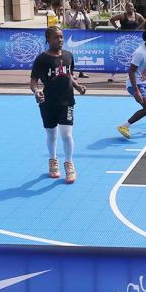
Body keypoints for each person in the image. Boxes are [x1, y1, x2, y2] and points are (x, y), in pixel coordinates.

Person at [29, 26, 87, 183]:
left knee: (67, 135)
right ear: (48, 39)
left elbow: (69, 76)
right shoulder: (41, 59)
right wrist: (36, 91)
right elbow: (33, 81)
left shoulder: (69, 56)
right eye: (56, 37)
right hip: (47, 102)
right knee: (51, 134)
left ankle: (69, 164)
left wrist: (78, 87)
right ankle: (53, 161)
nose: (60, 40)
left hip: (67, 101)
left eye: (61, 37)